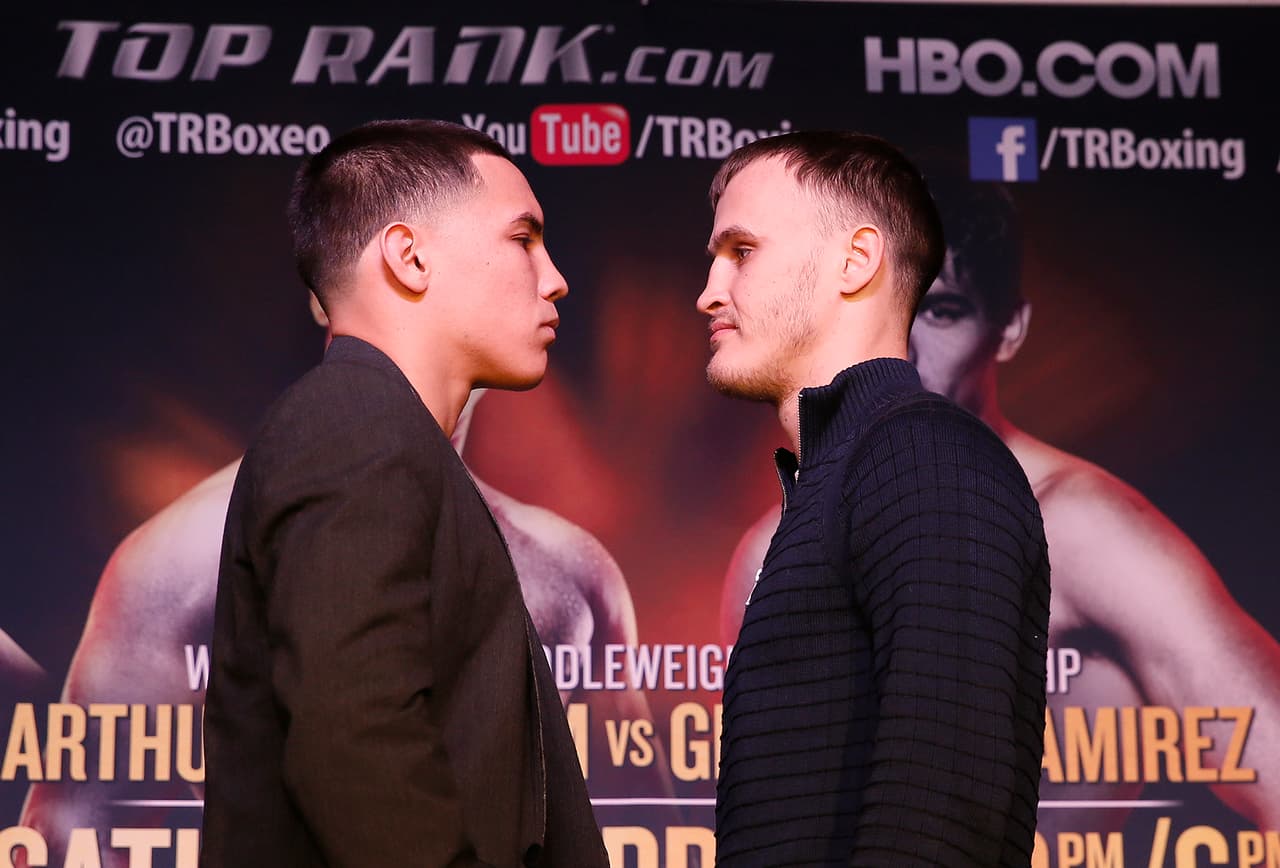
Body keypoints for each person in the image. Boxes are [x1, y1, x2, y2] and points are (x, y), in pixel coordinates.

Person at [721, 179, 1280, 838]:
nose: (903, 346)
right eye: (880, 305)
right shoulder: (772, 551)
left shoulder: (1079, 527)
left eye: (942, 311)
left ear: (1008, 332)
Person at [195, 119, 606, 867]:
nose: (555, 278)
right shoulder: (353, 422)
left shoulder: (391, 436)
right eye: (524, 239)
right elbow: (352, 737)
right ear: (409, 257)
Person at [699, 131, 1050, 866]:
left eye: (742, 252)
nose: (709, 291)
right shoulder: (846, 473)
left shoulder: (922, 455)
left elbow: (944, 816)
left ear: (856, 262)